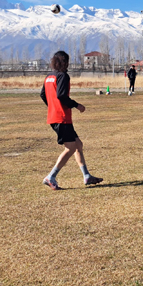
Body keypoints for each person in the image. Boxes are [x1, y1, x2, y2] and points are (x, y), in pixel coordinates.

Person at [40, 51, 103, 190]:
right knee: (71, 148)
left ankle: (87, 176)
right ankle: (50, 177)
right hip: (61, 118)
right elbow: (62, 95)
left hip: (55, 116)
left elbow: (43, 94)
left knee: (78, 144)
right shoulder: (63, 76)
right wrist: (77, 105)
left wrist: (52, 107)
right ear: (64, 62)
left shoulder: (49, 76)